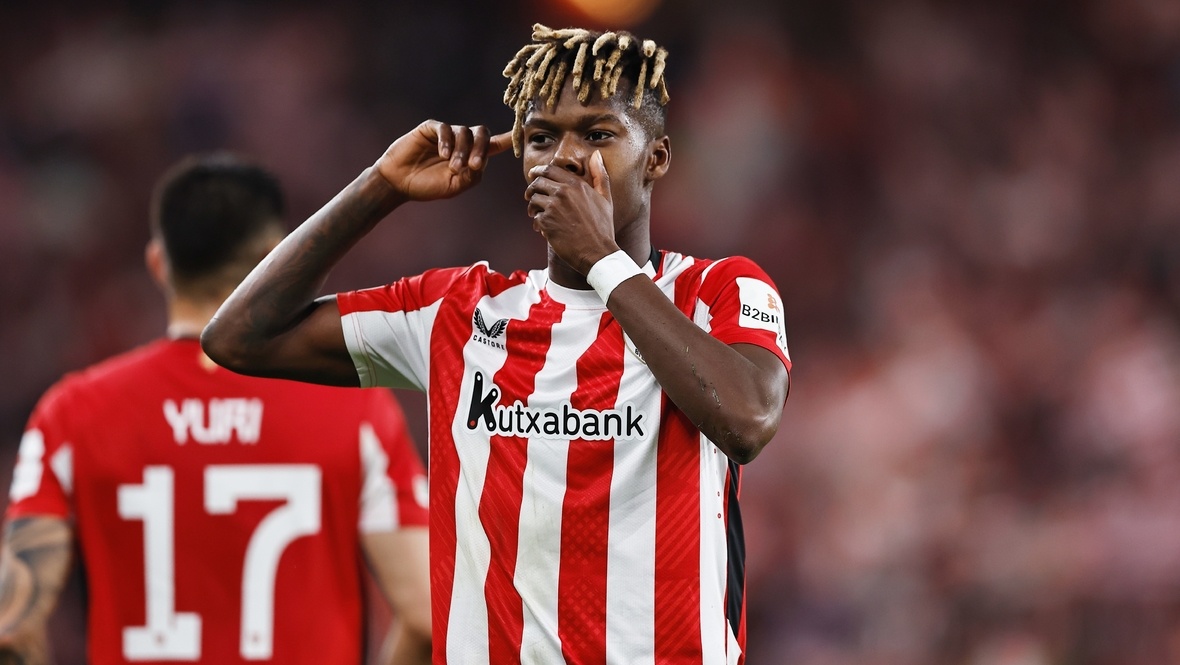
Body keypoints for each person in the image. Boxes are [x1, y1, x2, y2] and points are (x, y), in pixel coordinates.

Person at [202, 23, 791, 664]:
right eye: (541, 138)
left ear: (656, 158)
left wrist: (602, 260)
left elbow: (748, 420)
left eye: (598, 134)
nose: (566, 157)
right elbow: (240, 338)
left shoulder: (717, 290)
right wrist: (380, 186)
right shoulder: (458, 312)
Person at [0, 154, 432, 665]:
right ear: (278, 261)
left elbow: (12, 630)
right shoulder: (355, 410)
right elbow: (426, 617)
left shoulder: (72, 412)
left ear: (158, 264)